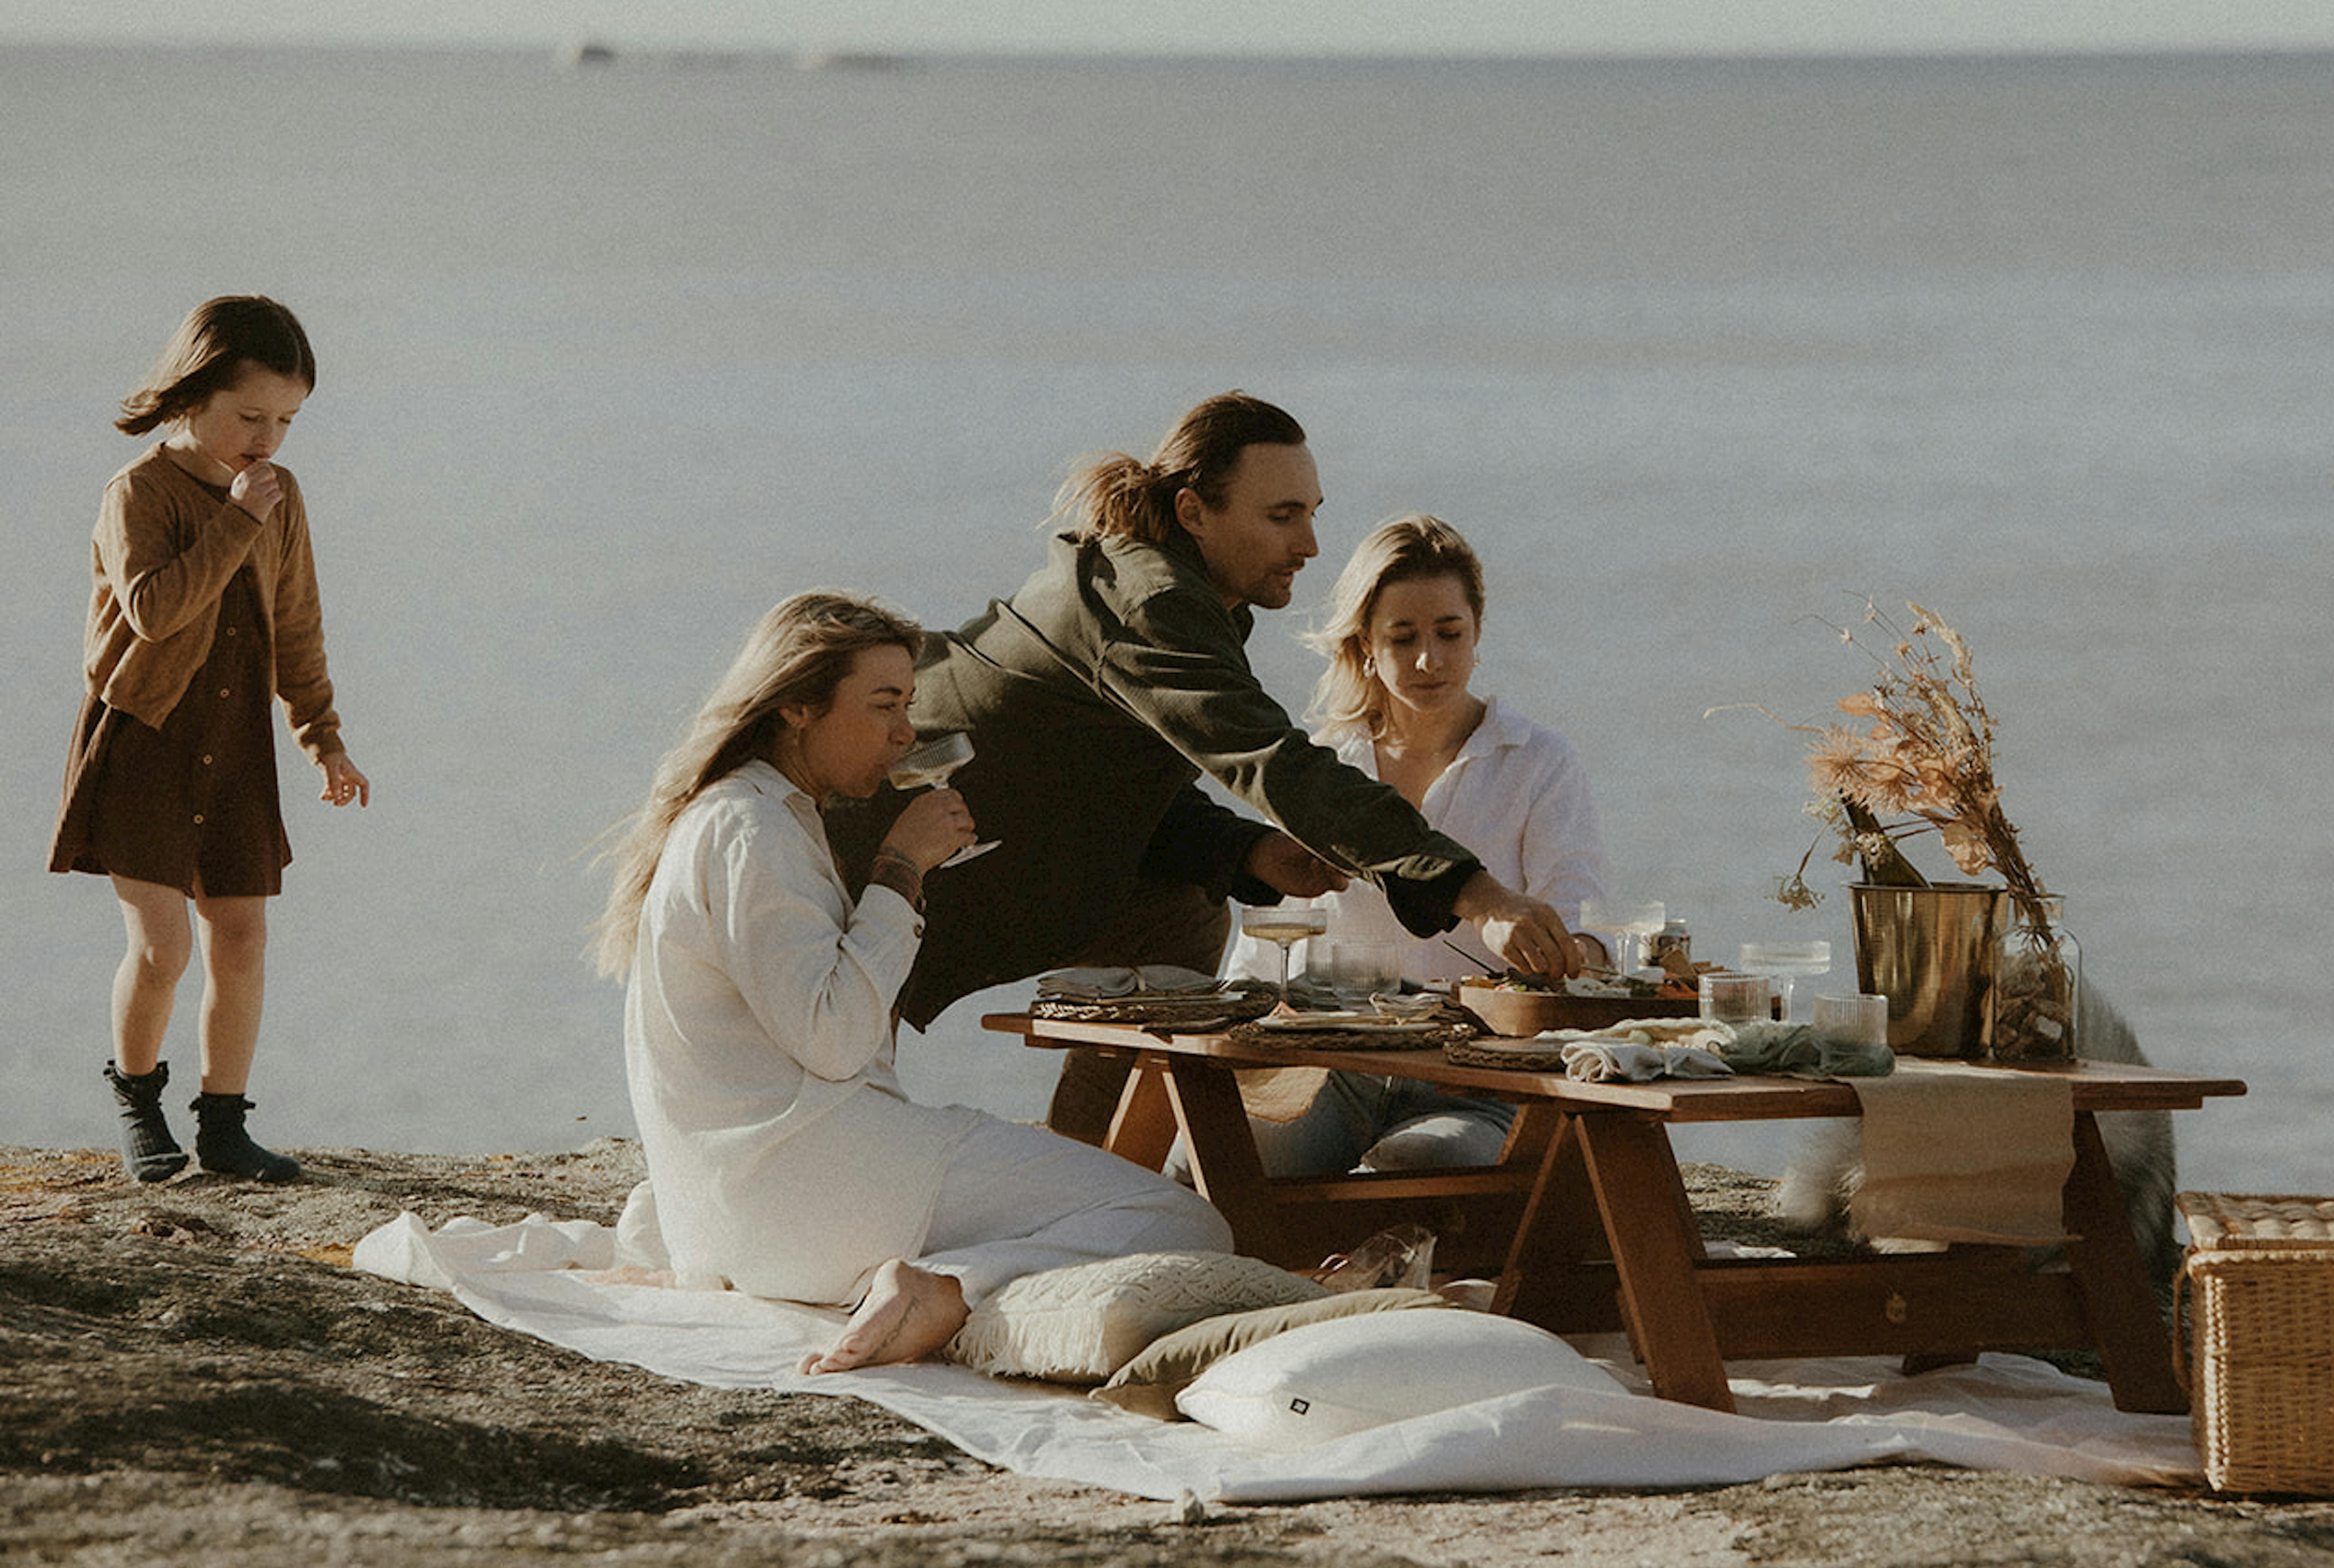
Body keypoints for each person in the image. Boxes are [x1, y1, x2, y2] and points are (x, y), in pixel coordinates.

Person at [851, 391, 1581, 1140]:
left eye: (1312, 513)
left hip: (995, 845)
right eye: (1282, 516)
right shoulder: (1150, 601)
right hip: (873, 848)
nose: (1310, 545)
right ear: (1194, 512)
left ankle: (1095, 1165)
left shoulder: (1183, 598)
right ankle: (1086, 1176)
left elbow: (1112, 784)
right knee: (842, 1108)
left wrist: (1250, 851)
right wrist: (1478, 894)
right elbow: (1278, 764)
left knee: (1183, 914)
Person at [594, 592, 1231, 1376]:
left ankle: (929, 1281)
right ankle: (946, 1288)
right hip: (811, 1190)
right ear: (797, 706)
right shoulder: (750, 831)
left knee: (1069, 1205)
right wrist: (900, 869)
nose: (905, 733)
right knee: (1180, 1220)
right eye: (884, 704)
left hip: (740, 1214)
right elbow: (835, 1041)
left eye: (908, 704)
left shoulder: (753, 815)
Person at [52, 296, 372, 1186]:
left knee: (241, 938)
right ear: (193, 395)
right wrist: (236, 521)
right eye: (251, 416)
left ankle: (225, 1127)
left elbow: (298, 626)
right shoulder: (138, 492)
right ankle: (138, 1104)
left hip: (235, 744)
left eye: (287, 421)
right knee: (163, 949)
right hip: (144, 738)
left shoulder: (280, 495)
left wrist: (324, 739)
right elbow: (155, 613)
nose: (268, 439)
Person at [1219, 515, 1613, 1173]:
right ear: (1366, 646)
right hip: (1333, 1071)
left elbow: (1585, 932)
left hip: (1480, 1080)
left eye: (1449, 633)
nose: (1430, 660)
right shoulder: (1324, 765)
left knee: (1417, 1162)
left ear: (1477, 632)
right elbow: (1261, 954)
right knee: (1214, 1156)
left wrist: (1561, 952)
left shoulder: (1539, 761)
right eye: (1403, 638)